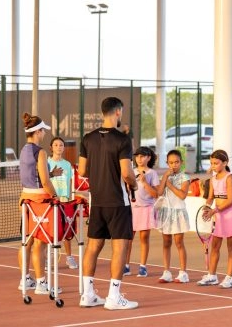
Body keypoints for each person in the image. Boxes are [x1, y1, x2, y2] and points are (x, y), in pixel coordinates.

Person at [78, 96, 139, 310]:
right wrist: (135, 184)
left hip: (97, 202)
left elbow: (82, 170)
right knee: (120, 247)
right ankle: (114, 296)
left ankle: (87, 294)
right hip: (117, 201)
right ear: (118, 112)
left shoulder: (88, 138)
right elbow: (127, 173)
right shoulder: (123, 140)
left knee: (93, 246)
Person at [18, 112, 62, 295]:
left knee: (26, 241)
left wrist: (52, 174)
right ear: (38, 132)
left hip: (25, 199)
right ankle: (41, 284)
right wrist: (56, 196)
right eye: (43, 131)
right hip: (40, 201)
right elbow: (44, 182)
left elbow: (32, 175)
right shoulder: (41, 152)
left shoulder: (23, 150)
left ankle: (25, 279)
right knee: (40, 243)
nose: (44, 134)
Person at [197, 149, 232, 288]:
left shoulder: (230, 178)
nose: (213, 166)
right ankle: (212, 275)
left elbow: (230, 200)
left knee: (231, 247)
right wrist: (206, 208)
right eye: (211, 163)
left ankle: (230, 278)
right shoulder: (213, 179)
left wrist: (214, 210)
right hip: (217, 215)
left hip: (230, 215)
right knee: (215, 246)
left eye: (216, 163)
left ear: (225, 163)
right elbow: (211, 197)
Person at [123, 146, 159, 277]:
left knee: (144, 238)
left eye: (142, 156)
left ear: (148, 158)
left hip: (146, 208)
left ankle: (143, 266)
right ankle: (125, 265)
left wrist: (144, 182)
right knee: (128, 239)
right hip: (132, 208)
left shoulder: (152, 173)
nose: (139, 158)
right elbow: (126, 190)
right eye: (137, 156)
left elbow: (155, 194)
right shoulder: (130, 171)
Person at [156, 149, 191, 283]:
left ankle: (183, 272)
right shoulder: (165, 177)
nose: (174, 165)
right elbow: (159, 193)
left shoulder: (185, 177)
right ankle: (166, 272)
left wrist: (169, 184)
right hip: (166, 212)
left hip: (178, 212)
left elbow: (182, 195)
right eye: (171, 163)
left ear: (181, 162)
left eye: (176, 162)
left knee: (179, 242)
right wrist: (165, 178)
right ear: (167, 163)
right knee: (166, 242)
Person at [48, 136, 78, 270]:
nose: (59, 147)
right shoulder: (47, 163)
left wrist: (70, 197)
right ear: (51, 147)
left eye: (61, 145)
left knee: (67, 230)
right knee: (51, 231)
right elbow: (43, 179)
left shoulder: (67, 165)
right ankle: (49, 258)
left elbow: (70, 183)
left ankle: (69, 257)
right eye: (56, 145)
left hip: (65, 201)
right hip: (51, 201)